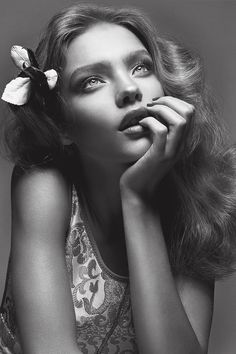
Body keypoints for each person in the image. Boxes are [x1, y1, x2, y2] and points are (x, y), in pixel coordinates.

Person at [0, 3, 236, 354]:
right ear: (62, 125)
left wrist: (138, 200)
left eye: (141, 67)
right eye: (92, 81)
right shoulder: (44, 184)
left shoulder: (197, 199)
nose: (129, 89)